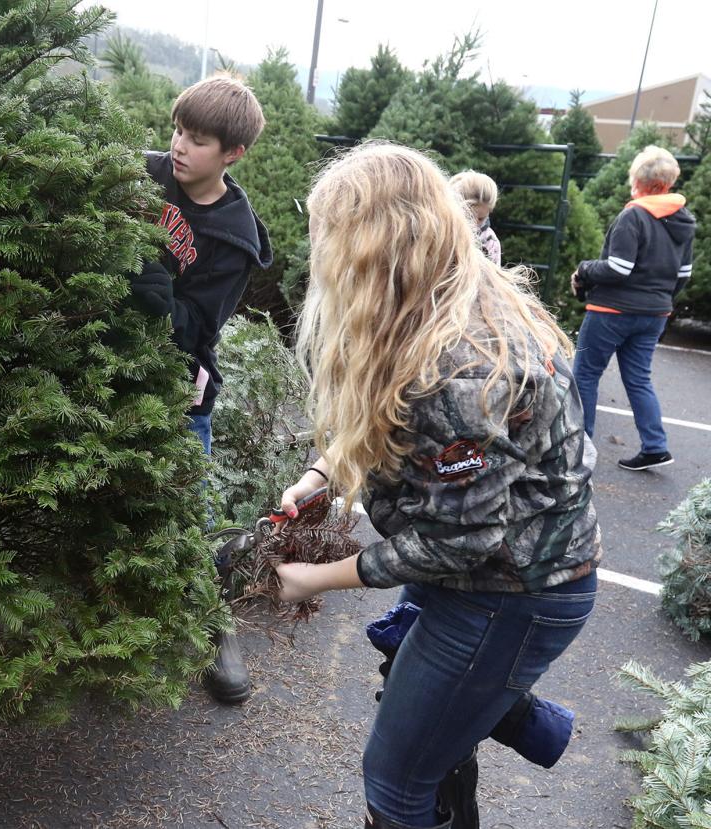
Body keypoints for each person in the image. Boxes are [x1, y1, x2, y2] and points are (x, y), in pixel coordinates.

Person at [276, 143, 600, 829]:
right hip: (492, 573)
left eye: (331, 238)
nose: (320, 254)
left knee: (394, 779)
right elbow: (381, 414)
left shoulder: (459, 363)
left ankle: (500, 707)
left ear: (375, 249)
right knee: (433, 732)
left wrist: (315, 577)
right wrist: (321, 475)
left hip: (510, 592)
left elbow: (458, 541)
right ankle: (492, 713)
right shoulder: (436, 303)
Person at [128, 74, 273, 705]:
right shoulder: (141, 175)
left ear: (232, 154)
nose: (180, 147)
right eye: (178, 132)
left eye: (199, 140)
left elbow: (196, 330)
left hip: (178, 384)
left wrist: (155, 294)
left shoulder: (232, 239)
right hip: (101, 364)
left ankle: (215, 626)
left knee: (191, 511)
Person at [571, 145, 695, 471]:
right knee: (638, 379)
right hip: (655, 314)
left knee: (585, 375)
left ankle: (578, 448)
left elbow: (618, 268)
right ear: (666, 183)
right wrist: (659, 301)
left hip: (612, 312)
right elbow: (684, 275)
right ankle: (655, 446)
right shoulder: (683, 221)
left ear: (639, 181)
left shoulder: (633, 215)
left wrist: (584, 269)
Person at [449, 170, 501, 266]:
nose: (475, 224)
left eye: (481, 218)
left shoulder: (490, 241)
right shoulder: (443, 234)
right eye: (469, 217)